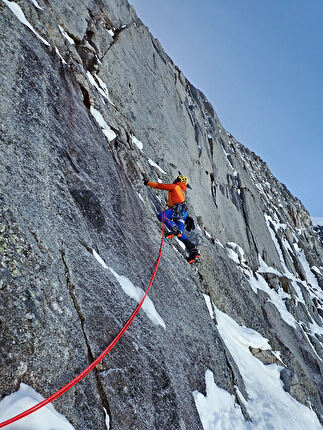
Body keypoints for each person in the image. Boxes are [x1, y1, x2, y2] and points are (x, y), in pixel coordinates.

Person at [143, 175, 200, 263]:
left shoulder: (175, 186)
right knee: (181, 234)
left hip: (176, 210)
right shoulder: (182, 191)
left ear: (178, 180)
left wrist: (148, 183)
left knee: (162, 216)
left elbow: (161, 186)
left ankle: (174, 228)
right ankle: (193, 251)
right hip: (182, 213)